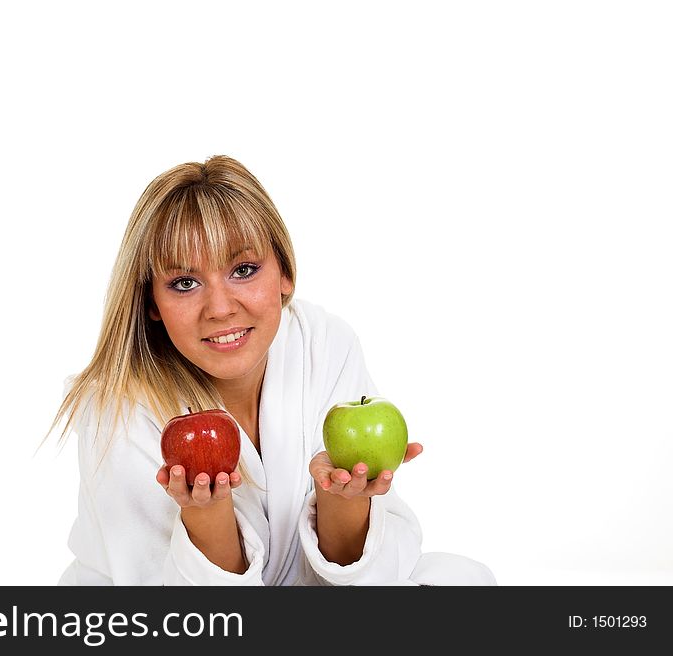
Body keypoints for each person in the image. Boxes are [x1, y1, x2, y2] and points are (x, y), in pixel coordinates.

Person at [47, 155, 496, 586]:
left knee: (463, 578)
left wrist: (344, 500)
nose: (220, 308)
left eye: (243, 270)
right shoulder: (117, 408)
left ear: (286, 274)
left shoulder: (322, 342)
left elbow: (357, 575)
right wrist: (206, 514)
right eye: (184, 283)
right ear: (152, 304)